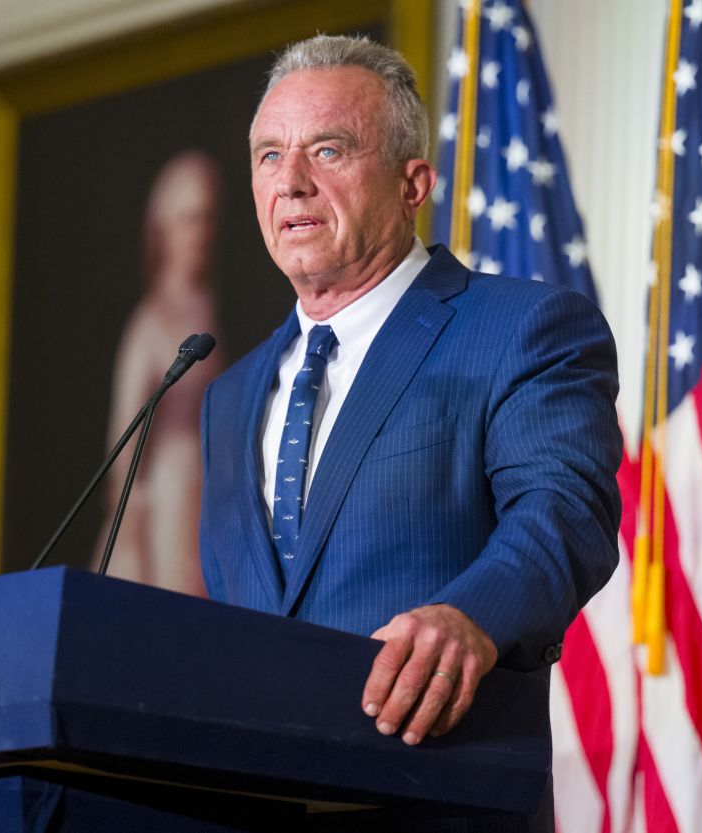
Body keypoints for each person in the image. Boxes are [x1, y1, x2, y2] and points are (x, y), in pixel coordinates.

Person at [197, 34, 621, 820]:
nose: (290, 182)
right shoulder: (228, 397)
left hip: (438, 795)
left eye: (327, 150)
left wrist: (471, 618)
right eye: (267, 156)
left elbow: (565, 513)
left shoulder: (521, 328)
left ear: (412, 182)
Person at [93, 150, 224, 595]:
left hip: (203, 490)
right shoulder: (150, 321)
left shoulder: (206, 306)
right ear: (164, 226)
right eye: (189, 220)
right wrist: (135, 508)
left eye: (206, 219)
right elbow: (125, 430)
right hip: (166, 498)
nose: (199, 234)